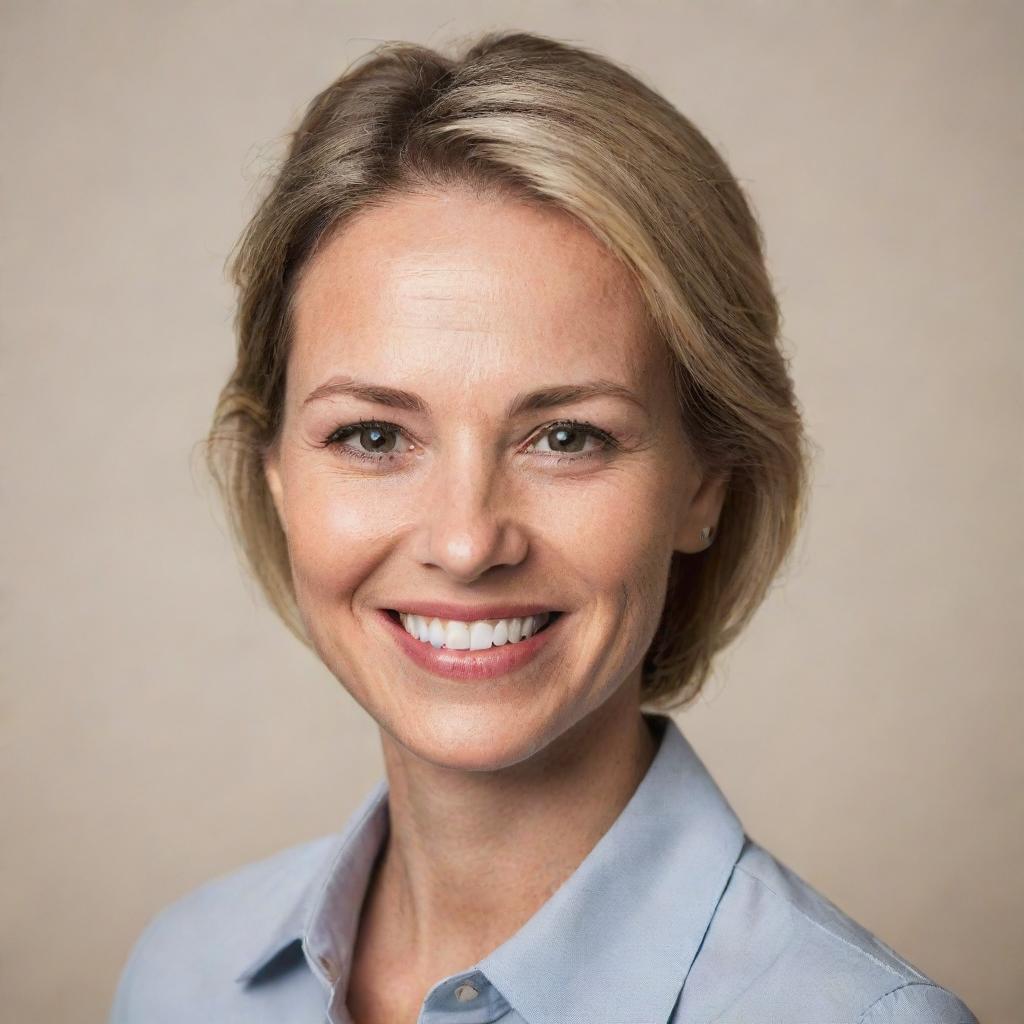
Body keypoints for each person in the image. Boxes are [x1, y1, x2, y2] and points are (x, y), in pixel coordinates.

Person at [109, 30, 978, 1024]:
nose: (468, 540)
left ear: (706, 483)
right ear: (274, 473)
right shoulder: (182, 977)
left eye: (565, 436)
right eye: (373, 434)